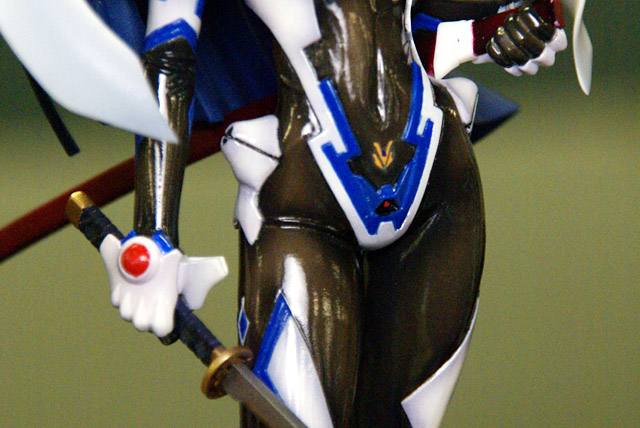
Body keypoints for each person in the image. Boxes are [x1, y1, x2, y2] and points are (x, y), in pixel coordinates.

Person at [98, 1, 568, 426]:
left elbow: (444, 20)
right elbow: (169, 59)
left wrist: (521, 26)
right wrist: (154, 231)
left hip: (437, 183)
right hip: (305, 202)